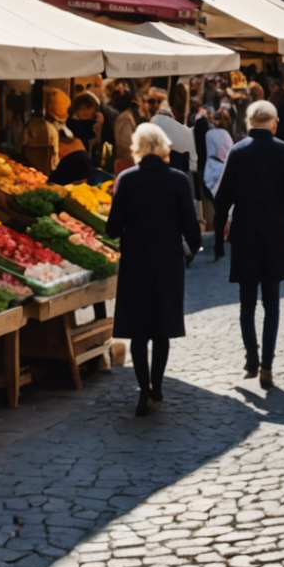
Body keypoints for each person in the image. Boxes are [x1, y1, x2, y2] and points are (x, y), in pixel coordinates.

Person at [212, 102, 284, 391]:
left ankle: (251, 359)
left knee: (246, 303)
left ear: (248, 122)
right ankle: (267, 365)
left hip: (245, 234)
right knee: (271, 303)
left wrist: (220, 227)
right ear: (274, 123)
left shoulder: (238, 151)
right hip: (275, 234)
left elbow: (222, 197)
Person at [111, 123, 203, 417]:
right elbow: (190, 225)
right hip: (167, 261)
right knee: (161, 327)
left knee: (139, 330)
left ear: (137, 147)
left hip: (136, 262)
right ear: (163, 146)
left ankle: (143, 390)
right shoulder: (177, 179)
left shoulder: (126, 179)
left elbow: (113, 227)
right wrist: (193, 247)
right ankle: (157, 387)